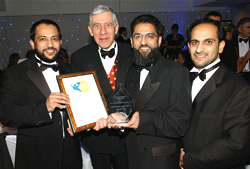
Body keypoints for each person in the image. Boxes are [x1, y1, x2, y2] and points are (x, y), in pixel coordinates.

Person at [96, 14, 192, 169]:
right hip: (129, 156)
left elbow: (180, 123)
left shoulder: (177, 72)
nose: (144, 42)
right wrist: (120, 119)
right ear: (132, 42)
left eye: (150, 36)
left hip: (160, 160)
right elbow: (126, 108)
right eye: (138, 36)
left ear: (159, 41)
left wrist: (143, 119)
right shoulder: (129, 70)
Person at [0, 19, 82, 169]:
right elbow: (7, 115)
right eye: (43, 39)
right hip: (35, 158)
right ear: (32, 43)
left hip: (71, 156)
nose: (50, 45)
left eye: (54, 39)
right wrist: (44, 107)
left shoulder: (70, 70)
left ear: (60, 41)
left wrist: (79, 122)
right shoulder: (14, 74)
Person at [180, 19, 250, 169]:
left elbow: (237, 144)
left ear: (221, 46)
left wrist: (189, 160)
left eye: (208, 42)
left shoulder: (240, 89)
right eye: (194, 42)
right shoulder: (181, 79)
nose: (199, 49)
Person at [69, 5, 132, 169]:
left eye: (108, 25)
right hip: (97, 138)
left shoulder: (132, 53)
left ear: (116, 28)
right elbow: (76, 99)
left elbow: (142, 92)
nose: (103, 31)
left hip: (129, 139)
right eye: (97, 26)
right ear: (90, 30)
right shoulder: (79, 58)